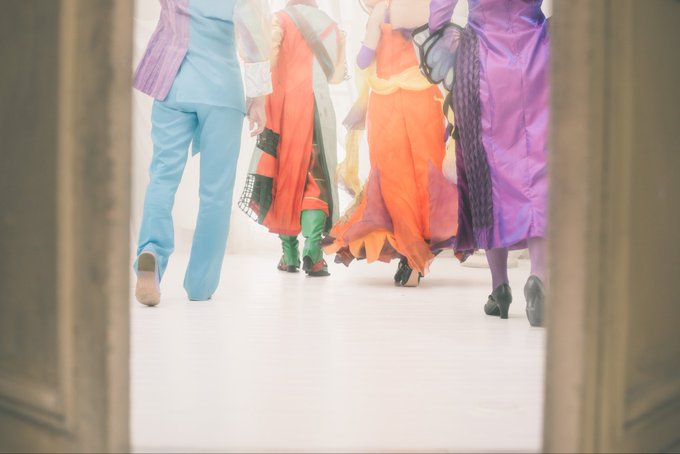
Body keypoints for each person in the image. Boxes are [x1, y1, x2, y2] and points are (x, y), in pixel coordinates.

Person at [133, 0, 272, 306]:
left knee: (162, 178)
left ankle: (151, 251)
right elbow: (254, 39)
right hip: (221, 93)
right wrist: (258, 99)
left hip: (172, 87)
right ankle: (200, 284)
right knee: (215, 193)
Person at [422, 0, 550, 325]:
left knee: (488, 175)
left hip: (483, 62)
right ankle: (539, 278)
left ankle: (499, 288)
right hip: (537, 57)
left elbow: (437, 17)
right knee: (539, 169)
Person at [324, 0, 460, 287]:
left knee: (394, 179)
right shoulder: (428, 6)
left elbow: (364, 59)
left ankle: (411, 253)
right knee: (426, 174)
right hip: (424, 100)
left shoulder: (382, 10)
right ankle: (418, 252)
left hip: (387, 102)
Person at [238, 0, 347, 277]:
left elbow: (266, 58)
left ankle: (289, 254)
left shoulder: (279, 20)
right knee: (315, 180)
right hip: (318, 111)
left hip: (284, 109)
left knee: (283, 177)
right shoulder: (331, 27)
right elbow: (336, 75)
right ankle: (313, 253)